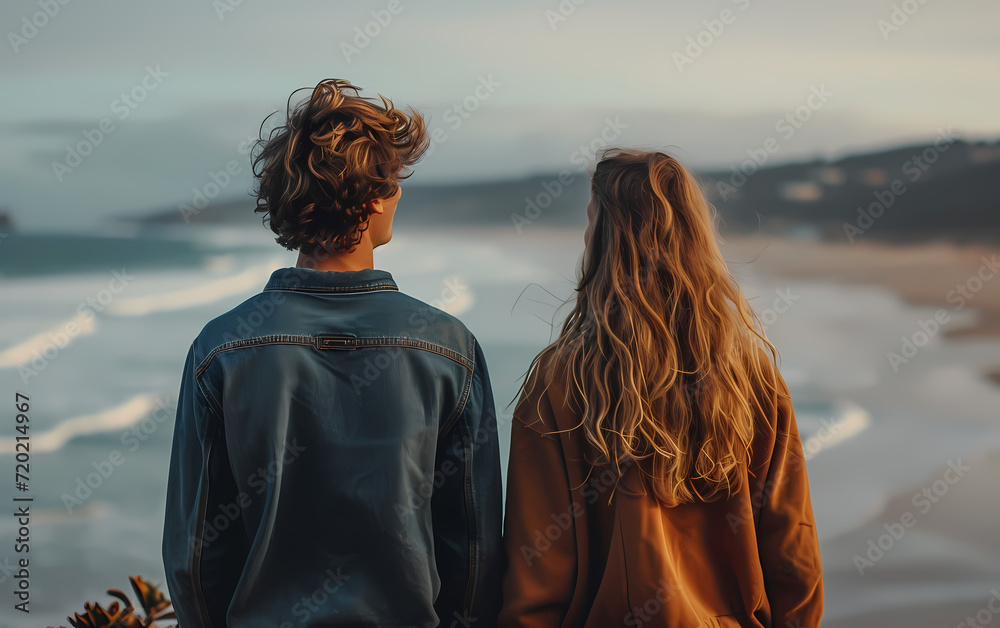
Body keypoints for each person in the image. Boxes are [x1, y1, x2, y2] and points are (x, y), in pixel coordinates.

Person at [161, 78, 503, 628]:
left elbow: (196, 556)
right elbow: (474, 548)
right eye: (394, 182)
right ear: (372, 196)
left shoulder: (221, 348)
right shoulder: (448, 347)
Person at [498, 149, 823, 627]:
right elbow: (792, 551)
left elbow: (537, 572)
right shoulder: (751, 376)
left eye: (591, 221)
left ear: (608, 238)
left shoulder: (560, 380)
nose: (585, 236)